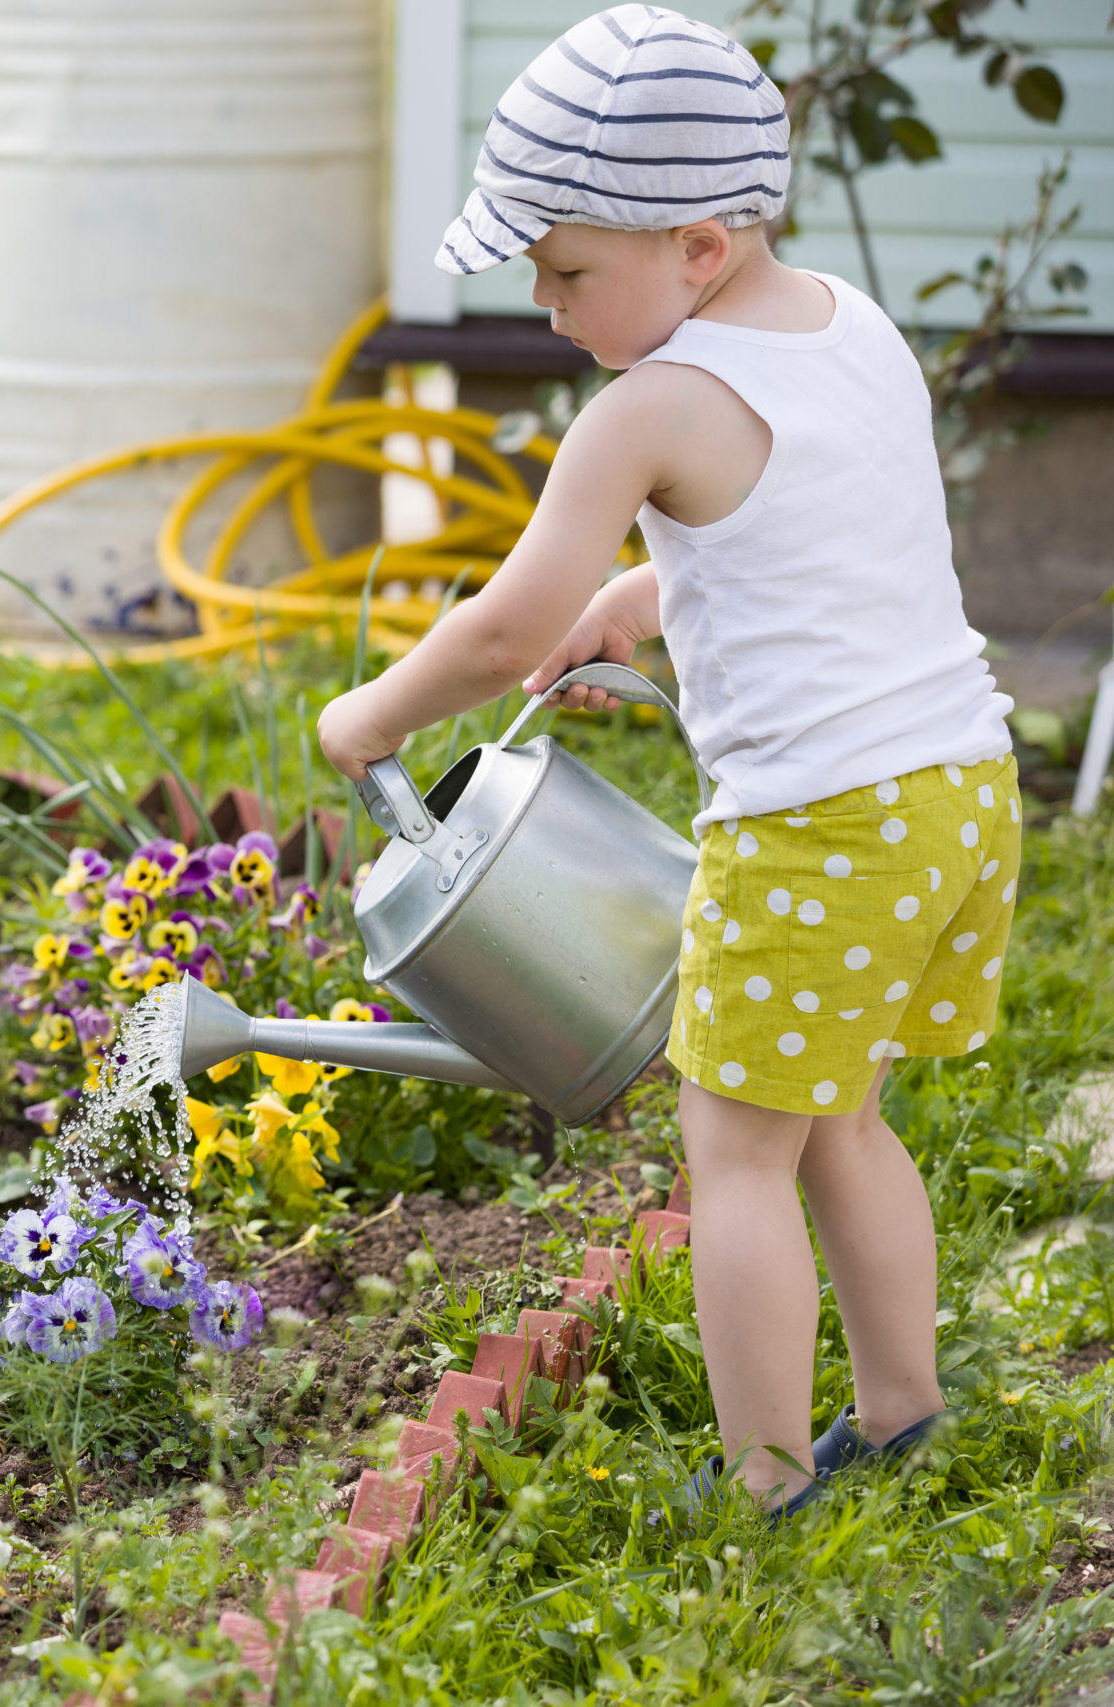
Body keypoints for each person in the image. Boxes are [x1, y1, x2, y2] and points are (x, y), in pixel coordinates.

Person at [316, 4, 1017, 1516]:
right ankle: (901, 1409)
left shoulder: (647, 410)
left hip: (821, 829)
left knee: (738, 1155)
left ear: (699, 246)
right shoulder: (850, 322)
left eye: (568, 269)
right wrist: (647, 601)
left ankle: (764, 1486)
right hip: (955, 787)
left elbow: (508, 630)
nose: (550, 305)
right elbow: (827, 547)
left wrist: (372, 717)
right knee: (838, 1117)